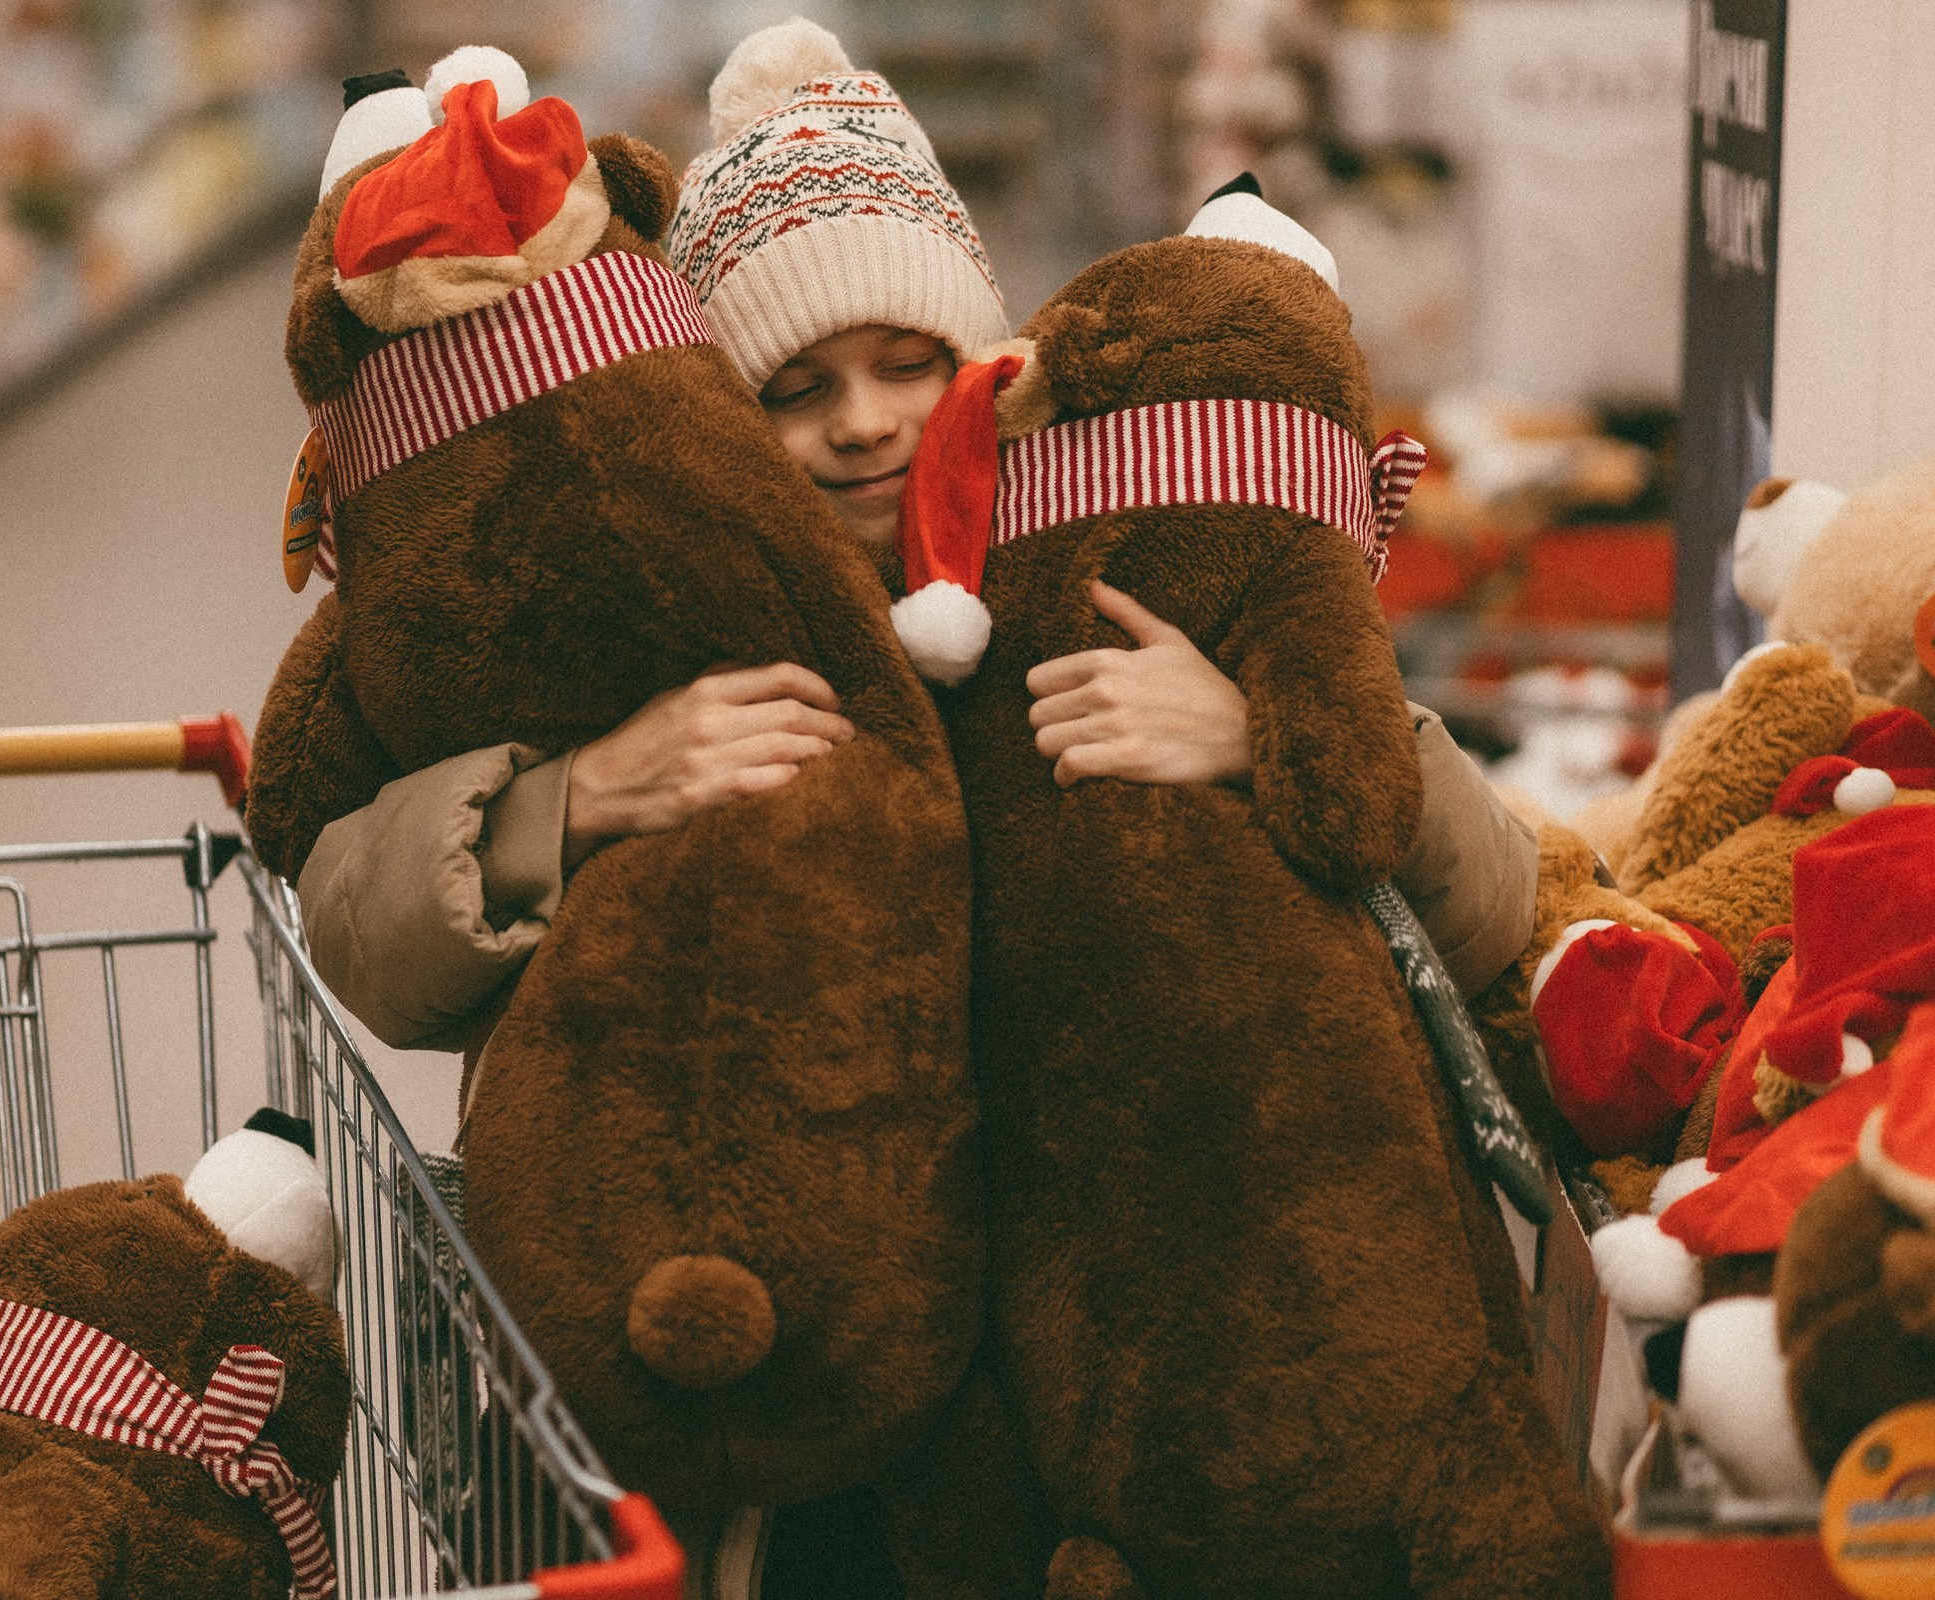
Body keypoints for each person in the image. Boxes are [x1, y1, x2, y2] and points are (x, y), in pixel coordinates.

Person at [293, 20, 1536, 1595]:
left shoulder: (1117, 577)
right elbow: (354, 918)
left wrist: (1263, 731)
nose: (866, 424)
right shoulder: (652, 632)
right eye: (797, 389)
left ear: (990, 371)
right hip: (756, 1432)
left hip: (1081, 1402)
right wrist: (572, 798)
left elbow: (1497, 896)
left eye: (910, 366)